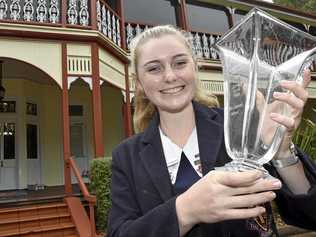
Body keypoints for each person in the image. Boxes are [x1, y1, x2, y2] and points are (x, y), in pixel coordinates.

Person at [107, 25, 316, 237]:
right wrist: (185, 210)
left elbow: (310, 215)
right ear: (139, 83)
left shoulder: (240, 128)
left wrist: (280, 152)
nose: (170, 76)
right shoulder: (126, 157)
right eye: (154, 68)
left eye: (180, 63)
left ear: (195, 67)